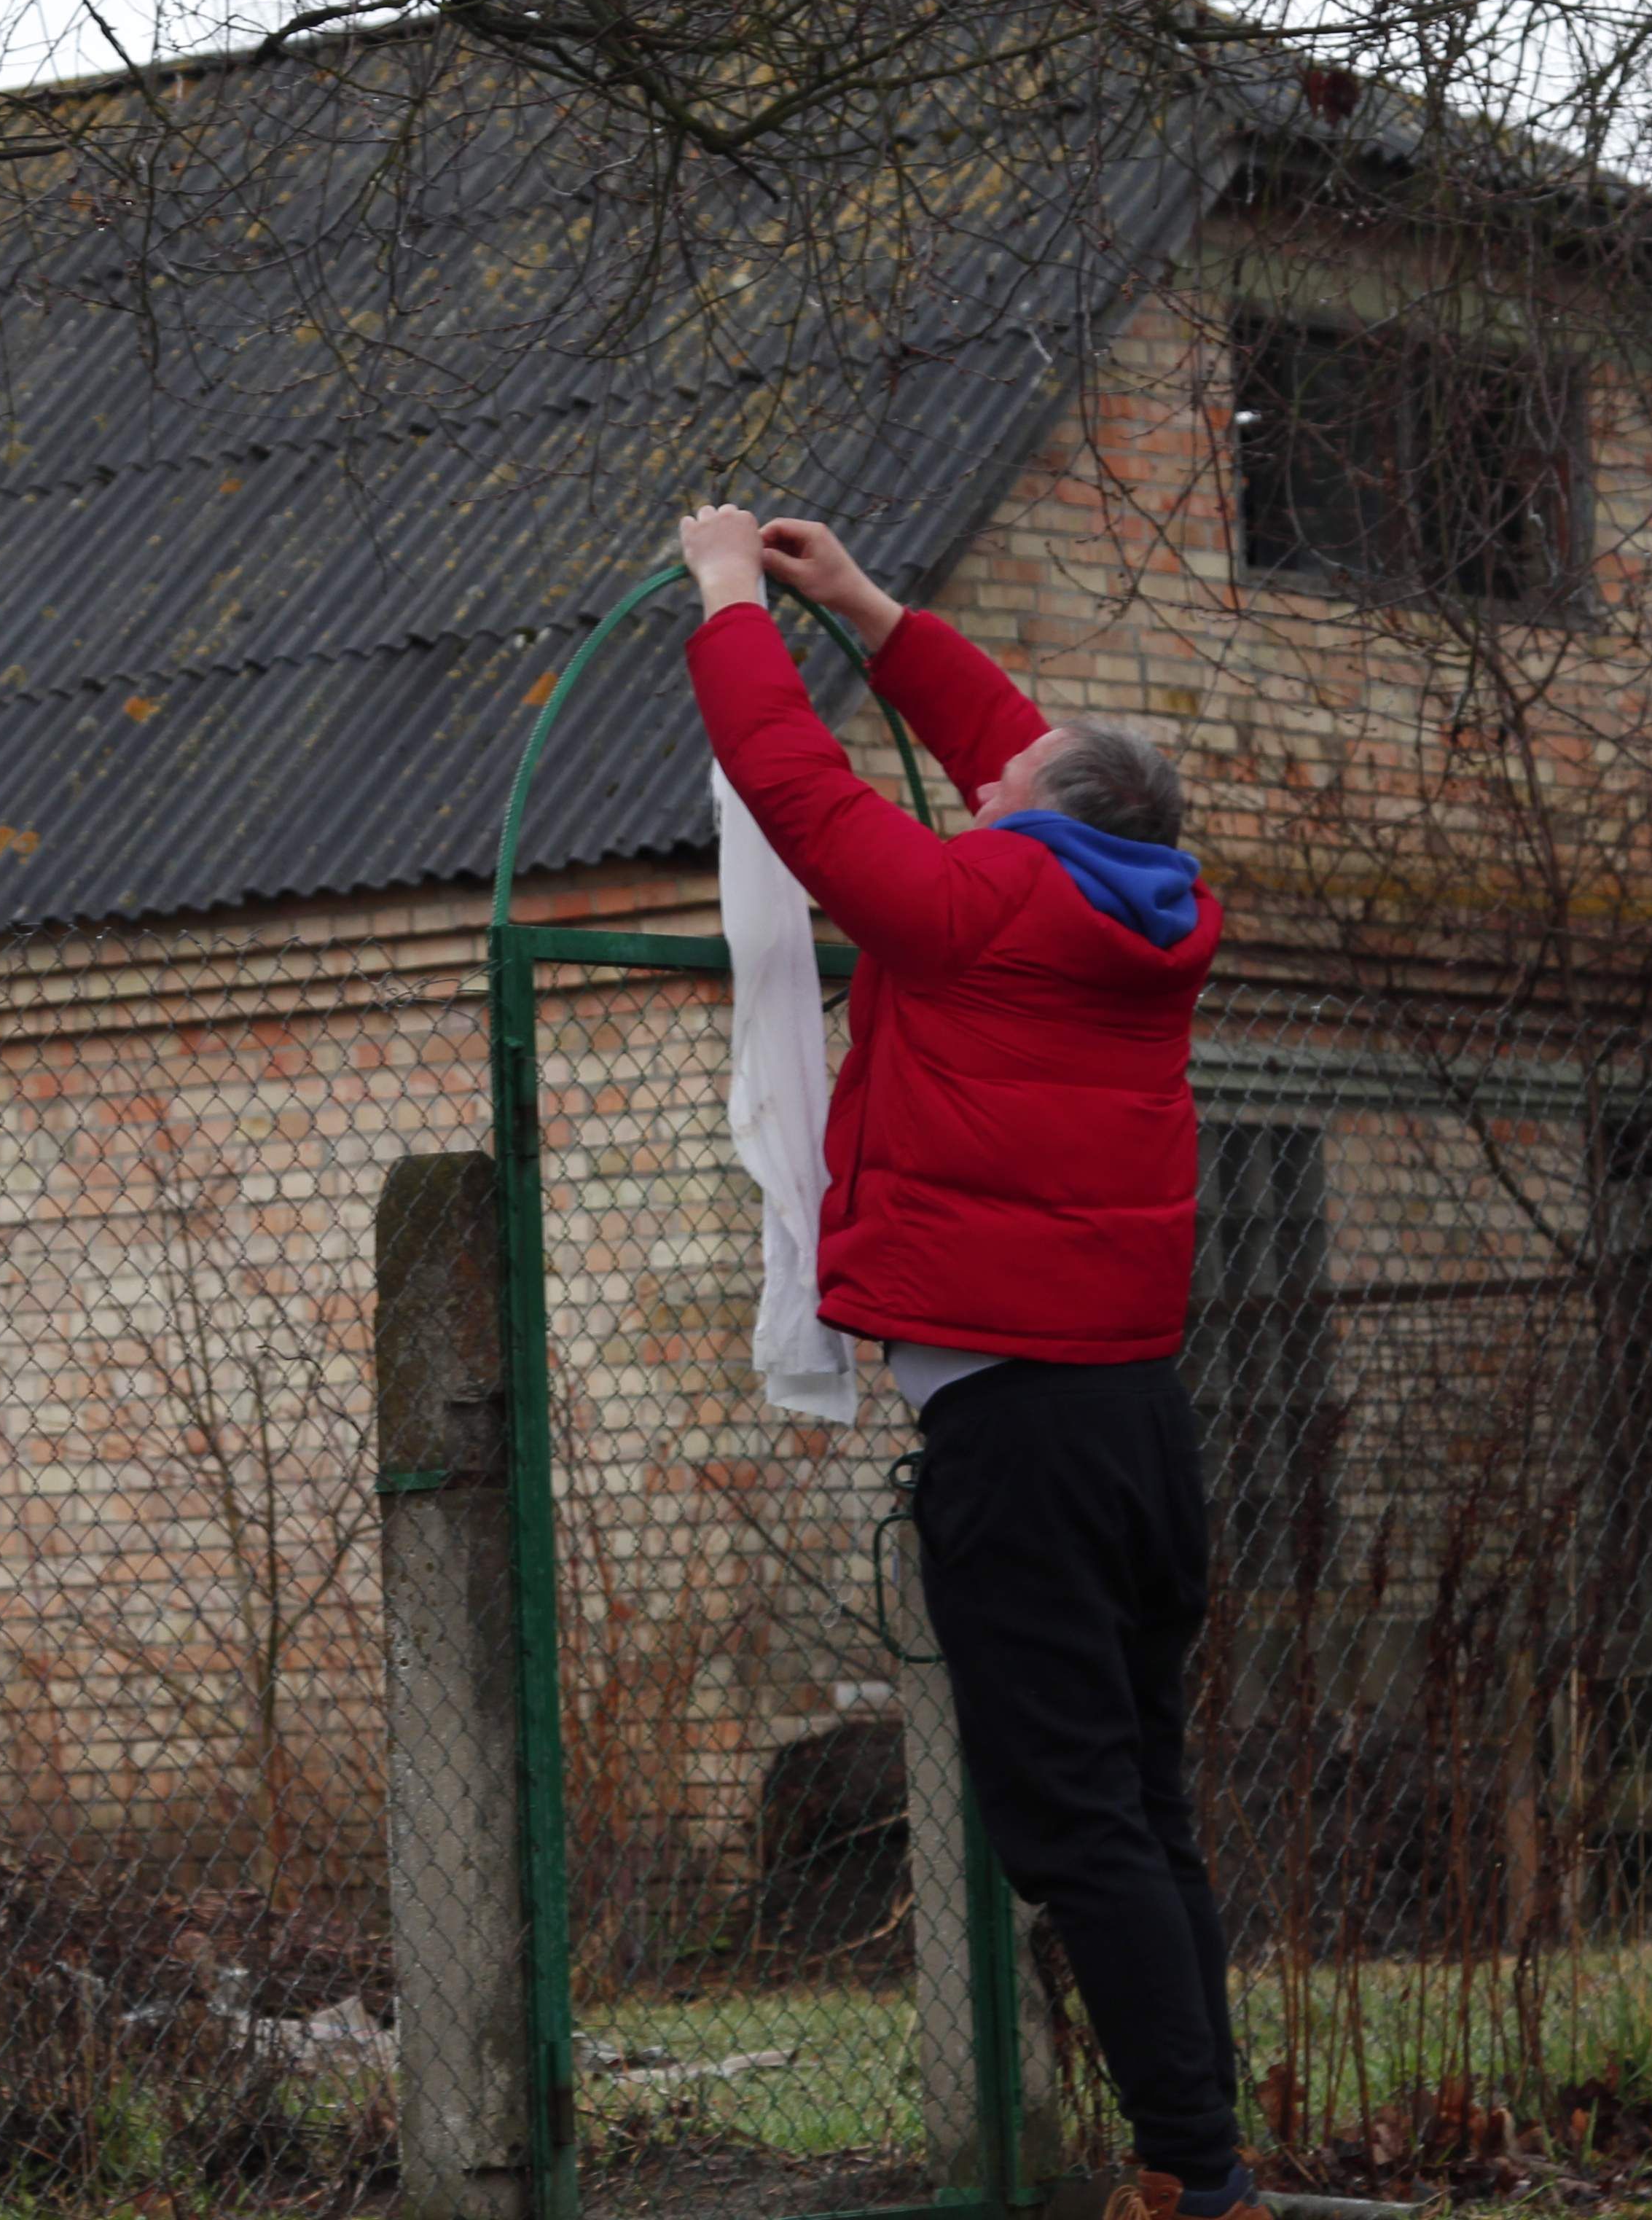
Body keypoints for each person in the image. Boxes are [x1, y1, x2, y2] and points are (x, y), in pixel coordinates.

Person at [676, 504, 1261, 2220]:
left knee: (1074, 1824)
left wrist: (732, 606)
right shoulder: (1146, 904)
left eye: (1003, 787)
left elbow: (802, 797)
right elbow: (1030, 749)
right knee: (1140, 1813)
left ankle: (1196, 2182)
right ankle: (1197, 2163)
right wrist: (863, 603)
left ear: (1037, 831)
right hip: (1137, 1419)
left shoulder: (980, 907)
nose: (979, 783)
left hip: (1021, 1435)